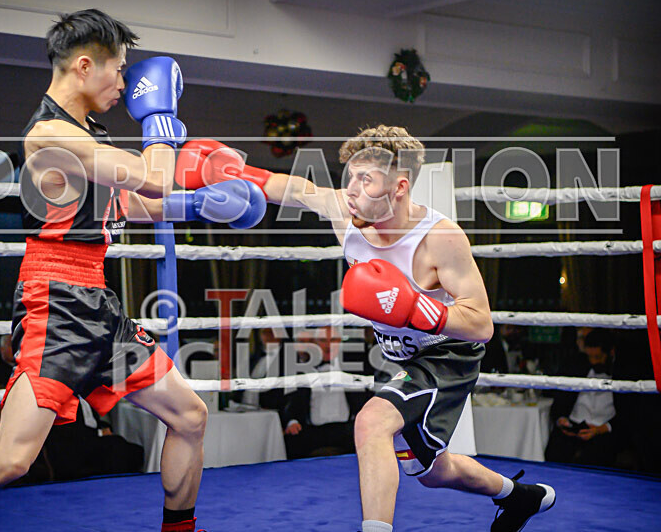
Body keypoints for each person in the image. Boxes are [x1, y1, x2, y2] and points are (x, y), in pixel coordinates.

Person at [0, 9, 264, 532]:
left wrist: (203, 204)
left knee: (190, 416)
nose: (124, 83)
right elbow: (153, 177)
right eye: (118, 69)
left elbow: (130, 203)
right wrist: (160, 122)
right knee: (10, 460)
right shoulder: (51, 135)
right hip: (56, 304)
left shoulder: (87, 132)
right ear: (85, 66)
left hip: (97, 302)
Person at [176, 127, 556, 532]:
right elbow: (294, 189)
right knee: (433, 472)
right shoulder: (347, 210)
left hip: (447, 354)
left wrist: (417, 308)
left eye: (366, 180)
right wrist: (231, 171)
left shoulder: (439, 238)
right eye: (351, 177)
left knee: (371, 421)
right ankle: (520, 497)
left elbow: (480, 324)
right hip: (404, 356)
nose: (352, 190)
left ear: (399, 187)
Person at [545, 328, 620, 467]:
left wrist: (601, 429)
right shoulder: (575, 365)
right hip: (574, 427)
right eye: (589, 356)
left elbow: (629, 414)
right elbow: (560, 400)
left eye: (597, 357)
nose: (593, 361)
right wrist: (562, 420)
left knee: (597, 455)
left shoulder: (623, 372)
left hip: (604, 431)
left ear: (611, 352)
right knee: (555, 449)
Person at [280, 327, 355, 459]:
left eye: (333, 340)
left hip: (347, 431)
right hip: (312, 432)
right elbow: (289, 400)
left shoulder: (356, 368)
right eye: (323, 340)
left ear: (340, 342)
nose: (328, 345)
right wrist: (292, 421)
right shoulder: (301, 369)